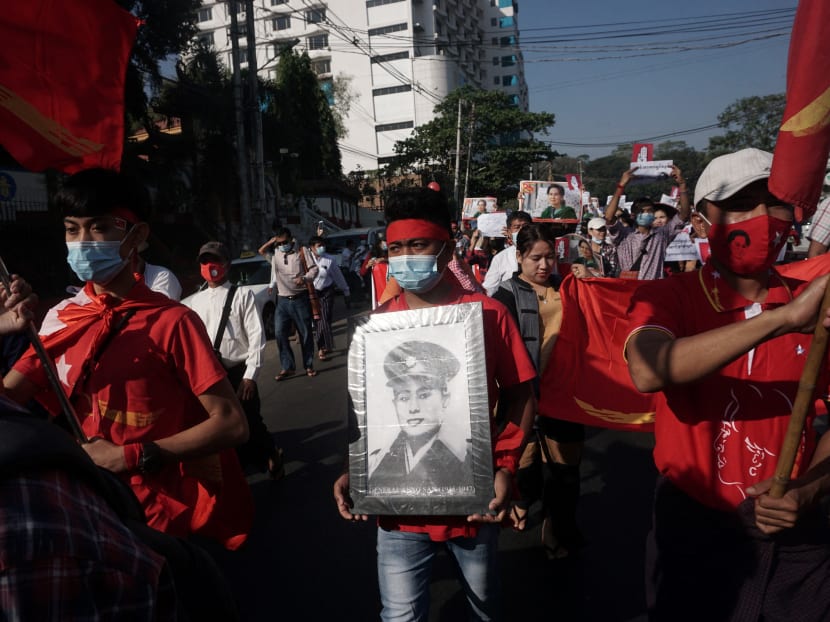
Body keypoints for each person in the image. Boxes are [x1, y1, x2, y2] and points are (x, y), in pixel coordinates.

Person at [625, 148, 830, 620]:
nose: (762, 218)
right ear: (700, 222)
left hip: (796, 533)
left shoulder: (816, 305)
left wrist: (808, 490)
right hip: (694, 528)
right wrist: (781, 321)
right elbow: (648, 370)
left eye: (774, 202)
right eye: (741, 203)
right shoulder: (666, 297)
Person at [3, 168, 252, 549]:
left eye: (99, 228)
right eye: (72, 229)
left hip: (157, 522)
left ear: (137, 236)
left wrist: (132, 455)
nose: (83, 242)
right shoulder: (61, 320)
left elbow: (233, 425)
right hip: (84, 510)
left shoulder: (173, 322)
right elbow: (6, 401)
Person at [333, 188, 536, 621]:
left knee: (485, 608)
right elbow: (368, 411)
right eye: (396, 248)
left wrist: (504, 466)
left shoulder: (487, 314)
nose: (406, 257)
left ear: (447, 249)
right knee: (400, 615)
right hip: (398, 516)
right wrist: (357, 468)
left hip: (474, 505)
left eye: (418, 245)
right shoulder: (377, 326)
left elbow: (520, 394)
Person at [492, 224, 585, 560]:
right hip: (524, 398)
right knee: (526, 470)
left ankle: (555, 529)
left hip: (566, 395)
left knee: (565, 472)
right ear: (518, 257)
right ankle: (522, 503)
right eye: (536, 258)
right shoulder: (503, 297)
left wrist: (588, 277)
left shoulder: (571, 288)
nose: (544, 265)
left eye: (550, 257)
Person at [183, 241, 284, 480]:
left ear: (227, 265)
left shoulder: (242, 295)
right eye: (205, 262)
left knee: (250, 420)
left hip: (238, 371)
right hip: (210, 375)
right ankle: (237, 473)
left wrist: (250, 376)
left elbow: (257, 336)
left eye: (215, 261)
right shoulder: (190, 303)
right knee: (221, 426)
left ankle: (272, 454)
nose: (210, 267)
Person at [368, 341, 472, 493]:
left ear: (445, 399)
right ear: (394, 403)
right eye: (403, 398)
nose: (413, 408)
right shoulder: (376, 462)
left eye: (424, 395)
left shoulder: (469, 458)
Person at [604, 165, 691, 279]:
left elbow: (684, 215)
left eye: (650, 211)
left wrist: (682, 185)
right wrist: (621, 186)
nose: (646, 214)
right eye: (642, 211)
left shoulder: (662, 234)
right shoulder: (624, 235)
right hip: (629, 289)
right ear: (633, 215)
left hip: (653, 290)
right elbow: (609, 218)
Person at [258, 227, 319, 379]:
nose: (282, 245)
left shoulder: (302, 251)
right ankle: (287, 366)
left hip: (300, 299)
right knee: (279, 333)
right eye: (279, 243)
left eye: (285, 242)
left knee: (305, 334)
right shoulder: (276, 253)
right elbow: (261, 251)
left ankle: (309, 365)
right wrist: (272, 241)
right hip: (282, 301)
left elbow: (314, 270)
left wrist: (304, 278)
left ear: (291, 240)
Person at [308, 235, 350, 360]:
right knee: (317, 321)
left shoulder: (329, 260)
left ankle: (322, 347)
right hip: (311, 294)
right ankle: (326, 344)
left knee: (324, 319)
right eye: (318, 246)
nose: (322, 248)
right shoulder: (305, 259)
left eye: (323, 245)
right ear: (312, 248)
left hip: (326, 292)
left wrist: (346, 290)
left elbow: (338, 277)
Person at [482, 210, 533, 295]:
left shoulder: (543, 252)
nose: (521, 231)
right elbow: (489, 289)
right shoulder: (500, 258)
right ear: (509, 232)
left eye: (525, 226)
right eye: (517, 227)